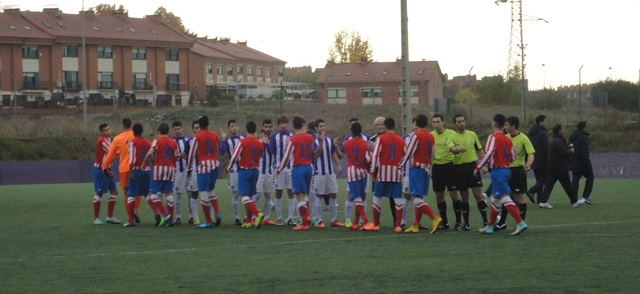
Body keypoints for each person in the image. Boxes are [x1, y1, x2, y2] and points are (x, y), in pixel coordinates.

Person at [476, 114, 527, 235]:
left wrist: (478, 166)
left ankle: (520, 223)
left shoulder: (493, 137)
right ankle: (490, 226)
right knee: (495, 199)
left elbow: (488, 153)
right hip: (507, 170)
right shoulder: (508, 139)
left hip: (498, 171)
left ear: (494, 124)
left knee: (504, 197)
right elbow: (513, 157)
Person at [399, 114, 443, 234]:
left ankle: (434, 218)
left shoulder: (415, 135)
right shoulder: (431, 136)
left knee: (414, 197)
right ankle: (415, 225)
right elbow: (433, 154)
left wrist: (400, 165)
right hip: (426, 169)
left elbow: (409, 152)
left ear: (416, 123)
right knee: (419, 197)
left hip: (416, 169)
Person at [363, 117, 406, 232]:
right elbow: (405, 156)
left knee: (377, 197)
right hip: (396, 174)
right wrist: (400, 168)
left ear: (386, 126)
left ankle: (376, 224)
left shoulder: (380, 138)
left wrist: (372, 172)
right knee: (397, 199)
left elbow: (376, 155)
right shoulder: (401, 140)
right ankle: (398, 225)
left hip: (382, 174)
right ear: (394, 126)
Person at [447, 114, 488, 231]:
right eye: (459, 122)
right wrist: (458, 150)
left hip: (472, 167)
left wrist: (484, 164)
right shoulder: (452, 137)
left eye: (463, 121)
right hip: (459, 168)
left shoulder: (472, 134)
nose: (461, 123)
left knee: (477, 194)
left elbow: (479, 150)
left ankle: (486, 221)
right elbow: (452, 149)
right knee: (464, 196)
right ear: (455, 124)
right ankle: (467, 224)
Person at [495, 116, 535, 231]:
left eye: (507, 125)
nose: (505, 127)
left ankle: (520, 223)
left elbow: (531, 153)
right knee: (505, 196)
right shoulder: (505, 137)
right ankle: (502, 223)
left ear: (513, 126)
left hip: (518, 171)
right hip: (506, 170)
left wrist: (528, 164)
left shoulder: (523, 138)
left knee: (519, 197)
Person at [276, 116, 315, 231]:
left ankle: (304, 221)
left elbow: (286, 156)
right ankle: (307, 217)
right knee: (305, 194)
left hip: (298, 168)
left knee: (300, 195)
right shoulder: (310, 137)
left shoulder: (293, 139)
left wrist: (279, 168)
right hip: (309, 167)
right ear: (302, 125)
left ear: (293, 126)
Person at [227, 121, 265, 229]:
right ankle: (248, 221)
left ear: (246, 129)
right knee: (250, 196)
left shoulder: (242, 142)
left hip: (245, 170)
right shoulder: (259, 143)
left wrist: (228, 167)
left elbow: (234, 156)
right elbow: (261, 155)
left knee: (243, 197)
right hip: (255, 171)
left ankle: (257, 214)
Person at [187, 115, 222, 228]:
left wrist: (189, 169)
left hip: (203, 166)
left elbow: (192, 154)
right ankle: (217, 214)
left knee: (203, 192)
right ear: (208, 124)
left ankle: (207, 221)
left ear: (200, 125)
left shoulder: (197, 137)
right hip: (214, 165)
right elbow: (219, 148)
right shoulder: (215, 135)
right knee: (211, 190)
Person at [538, 124, 585, 208]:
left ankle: (543, 201)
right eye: (562, 129)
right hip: (560, 167)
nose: (563, 131)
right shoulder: (558, 141)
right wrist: (571, 151)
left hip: (552, 166)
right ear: (559, 131)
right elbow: (564, 152)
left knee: (549, 184)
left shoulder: (552, 140)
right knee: (567, 185)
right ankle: (574, 201)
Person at [143, 123, 179, 227]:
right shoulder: (173, 142)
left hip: (159, 169)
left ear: (159, 132)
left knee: (152, 194)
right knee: (169, 194)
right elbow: (177, 157)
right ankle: (171, 220)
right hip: (171, 169)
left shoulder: (157, 140)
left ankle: (165, 214)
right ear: (168, 131)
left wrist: (144, 162)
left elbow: (150, 153)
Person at [102, 118, 136, 224]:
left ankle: (131, 218)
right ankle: (135, 210)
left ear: (122, 125)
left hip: (124, 169)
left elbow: (110, 155)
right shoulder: (135, 135)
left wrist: (105, 166)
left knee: (127, 193)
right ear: (131, 125)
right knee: (138, 192)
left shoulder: (117, 138)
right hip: (136, 167)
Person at [312, 119, 344, 228]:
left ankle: (333, 220)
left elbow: (333, 154)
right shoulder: (314, 140)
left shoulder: (330, 140)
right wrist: (321, 141)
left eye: (324, 126)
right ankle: (319, 220)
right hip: (319, 173)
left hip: (330, 172)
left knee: (333, 194)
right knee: (319, 195)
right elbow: (317, 153)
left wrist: (339, 165)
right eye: (320, 126)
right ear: (316, 128)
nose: (323, 128)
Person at [430, 114, 459, 230]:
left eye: (438, 122)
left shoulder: (452, 134)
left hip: (449, 167)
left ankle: (458, 222)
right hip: (437, 167)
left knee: (453, 194)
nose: (436, 124)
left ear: (443, 122)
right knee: (439, 196)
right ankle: (444, 222)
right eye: (434, 122)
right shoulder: (431, 135)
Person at [340, 117, 370, 227]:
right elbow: (368, 158)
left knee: (358, 197)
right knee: (358, 197)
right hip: (363, 171)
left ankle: (361, 221)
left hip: (352, 171)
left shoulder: (347, 142)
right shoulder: (365, 142)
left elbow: (341, 154)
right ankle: (358, 221)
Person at [123, 123, 151, 227]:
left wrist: (130, 172)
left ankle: (131, 221)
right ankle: (157, 214)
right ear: (142, 131)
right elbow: (151, 157)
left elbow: (132, 158)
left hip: (136, 170)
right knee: (147, 193)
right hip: (147, 170)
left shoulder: (132, 142)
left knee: (131, 194)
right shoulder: (148, 142)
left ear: (133, 132)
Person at [269, 116, 296, 226]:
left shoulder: (293, 136)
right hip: (279, 169)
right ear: (278, 125)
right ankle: (279, 218)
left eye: (285, 123)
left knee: (291, 192)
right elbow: (271, 151)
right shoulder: (275, 136)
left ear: (287, 124)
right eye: (281, 123)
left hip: (291, 168)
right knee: (278, 192)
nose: (283, 125)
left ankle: (290, 218)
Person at [220, 119, 246, 225]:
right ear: (229, 128)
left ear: (238, 127)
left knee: (245, 193)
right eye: (232, 126)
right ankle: (236, 218)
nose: (234, 127)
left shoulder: (243, 138)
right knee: (235, 194)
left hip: (244, 169)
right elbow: (222, 151)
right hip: (234, 170)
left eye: (235, 125)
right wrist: (223, 139)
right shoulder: (227, 140)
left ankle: (246, 217)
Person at [92, 123, 119, 225]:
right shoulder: (102, 141)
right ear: (101, 132)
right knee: (99, 193)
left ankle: (110, 216)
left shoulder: (108, 140)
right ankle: (96, 218)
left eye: (108, 129)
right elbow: (113, 151)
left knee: (114, 192)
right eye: (105, 130)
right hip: (101, 170)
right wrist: (124, 149)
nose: (108, 131)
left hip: (108, 169)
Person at [253, 119, 277, 225]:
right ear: (262, 127)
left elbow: (273, 152)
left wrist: (266, 144)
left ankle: (266, 218)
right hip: (259, 171)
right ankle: (253, 217)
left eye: (269, 127)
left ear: (271, 128)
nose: (267, 129)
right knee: (257, 194)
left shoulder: (273, 139)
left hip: (270, 172)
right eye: (265, 127)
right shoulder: (257, 139)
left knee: (268, 195)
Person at [569, 121, 594, 204]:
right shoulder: (583, 137)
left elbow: (570, 148)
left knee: (575, 179)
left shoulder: (571, 136)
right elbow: (584, 151)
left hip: (574, 161)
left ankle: (573, 198)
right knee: (590, 177)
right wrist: (587, 162)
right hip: (583, 162)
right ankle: (585, 196)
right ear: (584, 127)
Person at [171, 121, 190, 225]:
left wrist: (186, 156)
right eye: (175, 129)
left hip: (188, 171)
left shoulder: (188, 140)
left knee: (190, 194)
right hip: (177, 172)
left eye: (179, 128)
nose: (177, 131)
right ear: (173, 130)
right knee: (177, 195)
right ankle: (178, 217)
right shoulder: (171, 141)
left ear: (182, 128)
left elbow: (192, 155)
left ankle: (192, 216)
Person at [526, 115, 548, 204]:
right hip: (542, 159)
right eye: (545, 121)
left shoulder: (531, 132)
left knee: (539, 179)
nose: (547, 123)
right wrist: (549, 158)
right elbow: (545, 148)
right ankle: (532, 191)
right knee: (545, 179)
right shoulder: (543, 133)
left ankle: (540, 199)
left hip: (533, 159)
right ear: (541, 122)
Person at [187, 120, 201, 225]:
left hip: (205, 169)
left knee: (207, 192)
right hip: (194, 171)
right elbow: (188, 155)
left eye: (199, 127)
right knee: (194, 193)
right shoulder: (190, 142)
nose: (197, 130)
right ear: (193, 129)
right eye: (195, 128)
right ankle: (195, 217)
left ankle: (211, 216)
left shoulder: (205, 139)